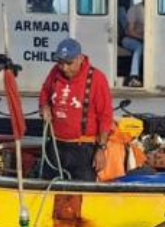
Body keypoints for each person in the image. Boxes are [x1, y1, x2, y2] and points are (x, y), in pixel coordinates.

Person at [38, 38, 114, 181]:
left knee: (81, 194)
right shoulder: (55, 73)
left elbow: (105, 117)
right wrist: (44, 106)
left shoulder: (97, 79)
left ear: (80, 58)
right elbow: (45, 92)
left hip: (82, 150)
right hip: (56, 146)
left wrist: (101, 149)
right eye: (60, 63)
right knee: (48, 187)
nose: (64, 68)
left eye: (69, 63)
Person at [121, 0, 144, 87]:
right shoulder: (134, 9)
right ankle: (133, 76)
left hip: (144, 39)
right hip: (128, 39)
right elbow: (129, 31)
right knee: (139, 47)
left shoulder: (152, 8)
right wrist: (142, 38)